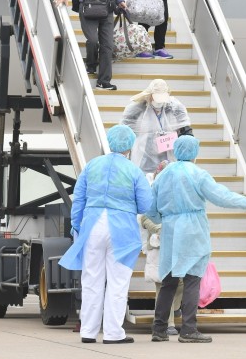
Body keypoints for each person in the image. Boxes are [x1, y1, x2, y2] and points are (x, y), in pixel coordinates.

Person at [145, 135, 246, 343]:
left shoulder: (163, 175)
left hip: (170, 230)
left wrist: (165, 219)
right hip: (193, 229)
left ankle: (159, 329)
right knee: (193, 279)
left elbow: (151, 209)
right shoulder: (198, 174)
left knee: (168, 281)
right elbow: (220, 196)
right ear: (195, 153)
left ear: (176, 151)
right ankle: (188, 330)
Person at [60, 125, 152, 345]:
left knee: (91, 279)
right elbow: (145, 205)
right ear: (129, 147)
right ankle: (113, 333)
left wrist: (76, 225)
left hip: (92, 226)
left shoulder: (91, 166)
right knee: (117, 283)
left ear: (109, 143)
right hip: (122, 230)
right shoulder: (133, 171)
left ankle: (88, 332)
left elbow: (79, 199)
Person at [139, 161, 182, 336]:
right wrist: (159, 228)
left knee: (181, 282)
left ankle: (175, 308)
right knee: (162, 284)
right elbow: (144, 218)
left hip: (177, 242)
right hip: (158, 243)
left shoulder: (179, 194)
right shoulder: (151, 193)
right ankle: (168, 322)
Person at [120, 79, 193, 175]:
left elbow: (185, 129)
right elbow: (124, 130)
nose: (159, 102)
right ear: (150, 95)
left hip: (167, 155)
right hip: (144, 156)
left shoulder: (175, 107)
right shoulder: (137, 108)